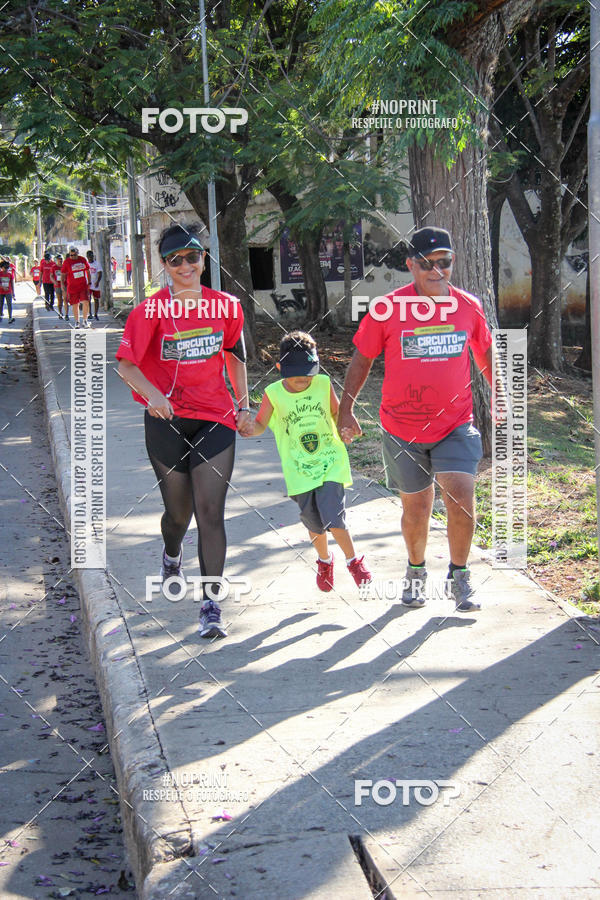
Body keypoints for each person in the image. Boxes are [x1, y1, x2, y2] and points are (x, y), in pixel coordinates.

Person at [338, 226, 494, 613]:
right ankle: (416, 570)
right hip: (402, 427)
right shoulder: (387, 309)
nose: (437, 271)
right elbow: (362, 358)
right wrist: (346, 408)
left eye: (444, 262)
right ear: (411, 265)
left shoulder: (467, 306)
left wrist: (500, 392)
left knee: (461, 498)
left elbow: (485, 352)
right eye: (427, 264)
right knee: (417, 508)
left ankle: (460, 576)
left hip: (455, 424)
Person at [116, 223, 250, 640]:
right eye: (177, 260)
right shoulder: (149, 312)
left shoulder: (226, 306)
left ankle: (211, 604)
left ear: (203, 259)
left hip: (215, 416)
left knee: (210, 511)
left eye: (193, 257)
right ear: (164, 265)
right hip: (166, 421)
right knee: (179, 513)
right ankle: (171, 553)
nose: (187, 265)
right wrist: (154, 396)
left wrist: (243, 405)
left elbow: (235, 355)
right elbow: (126, 365)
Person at [241, 331, 372, 593]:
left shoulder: (323, 384)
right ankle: (325, 561)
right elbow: (260, 425)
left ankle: (353, 561)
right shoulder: (273, 393)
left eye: (308, 371)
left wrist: (346, 427)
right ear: (279, 367)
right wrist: (247, 428)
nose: (303, 378)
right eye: (296, 372)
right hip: (298, 469)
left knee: (333, 515)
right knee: (313, 521)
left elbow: (337, 414)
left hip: (330, 461)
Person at [61, 246, 90, 328]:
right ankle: (77, 321)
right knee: (75, 304)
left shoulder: (82, 260)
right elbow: (63, 274)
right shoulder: (67, 262)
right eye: (71, 255)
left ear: (77, 253)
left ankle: (85, 320)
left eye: (74, 255)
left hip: (83, 285)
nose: (73, 257)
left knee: (86, 302)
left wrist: (89, 282)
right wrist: (62, 284)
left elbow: (88, 271)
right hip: (72, 286)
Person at [86, 250, 102, 321]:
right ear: (87, 257)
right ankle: (90, 314)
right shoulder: (86, 264)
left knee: (96, 299)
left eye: (91, 256)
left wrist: (98, 281)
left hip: (95, 284)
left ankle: (96, 314)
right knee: (88, 299)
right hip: (88, 284)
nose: (90, 258)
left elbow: (100, 272)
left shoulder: (97, 264)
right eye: (89, 257)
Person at [53, 254, 66, 319]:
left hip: (65, 284)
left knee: (66, 299)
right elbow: (51, 275)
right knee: (60, 300)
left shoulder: (65, 266)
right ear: (57, 260)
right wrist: (54, 281)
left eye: (61, 259)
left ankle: (66, 314)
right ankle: (60, 313)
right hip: (57, 285)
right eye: (59, 259)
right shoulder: (54, 267)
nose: (60, 260)